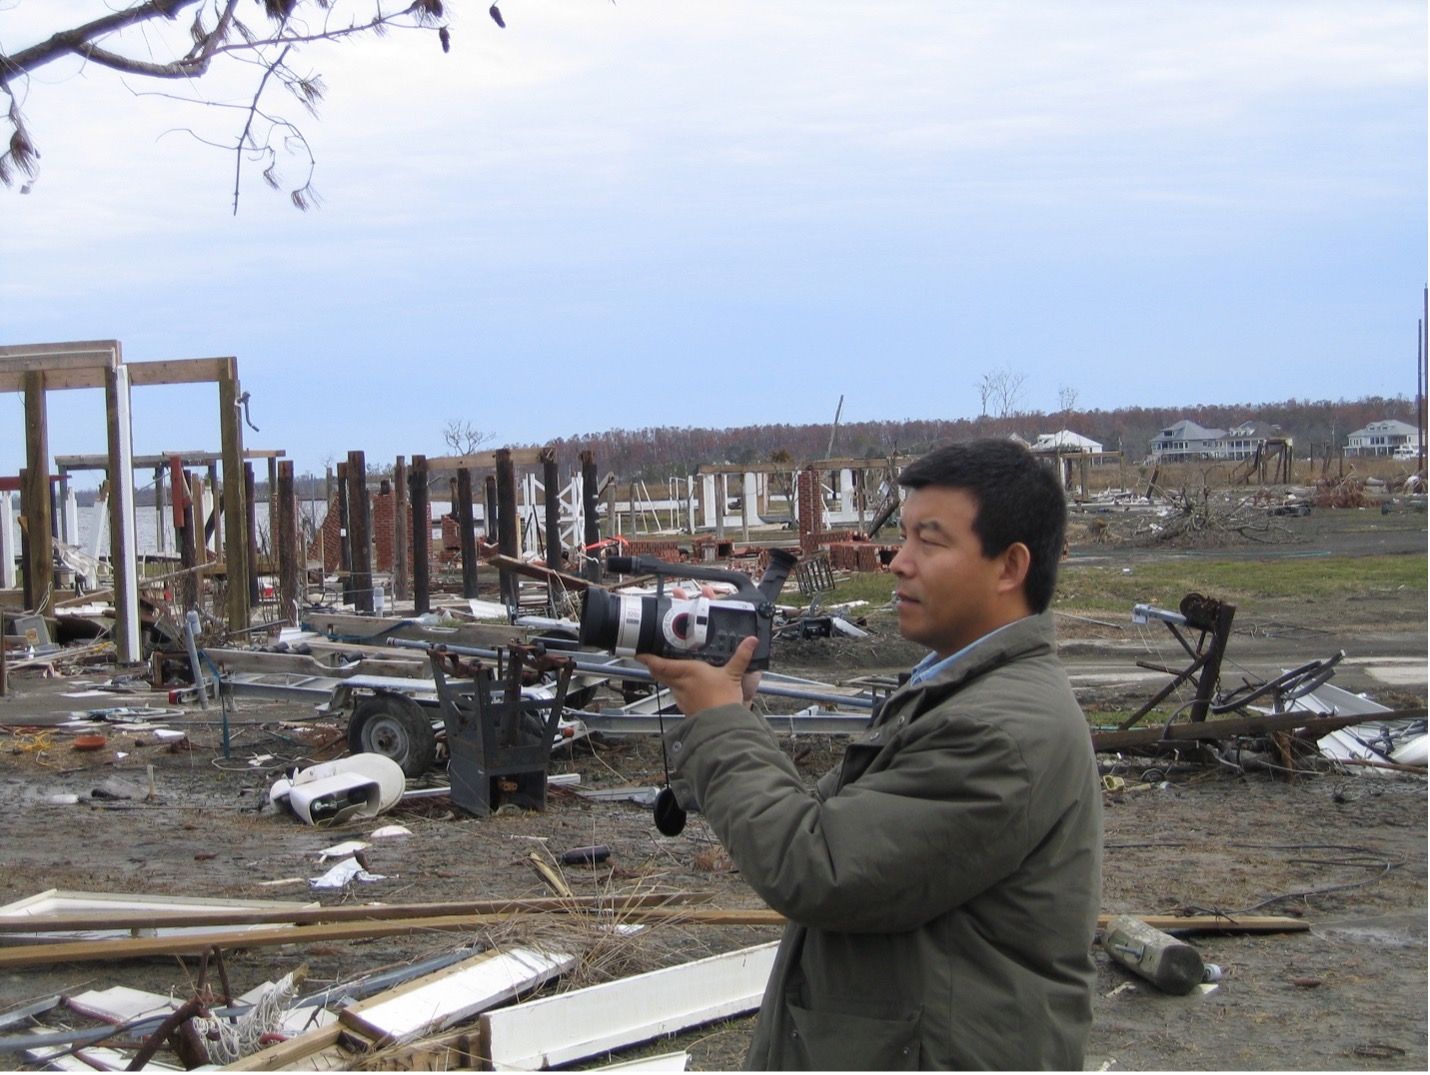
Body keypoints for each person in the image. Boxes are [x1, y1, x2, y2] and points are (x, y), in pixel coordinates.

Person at [637, 439, 1102, 1071]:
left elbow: (817, 863)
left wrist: (717, 721)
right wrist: (736, 709)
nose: (897, 562)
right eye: (903, 537)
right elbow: (827, 822)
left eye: (928, 542)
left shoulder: (999, 733)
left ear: (1010, 567)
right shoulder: (953, 691)